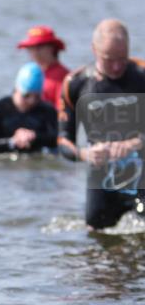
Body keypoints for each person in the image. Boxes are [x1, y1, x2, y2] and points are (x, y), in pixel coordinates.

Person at [58, 19, 145, 229]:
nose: (116, 66)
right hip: (102, 178)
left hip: (142, 174)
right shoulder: (75, 84)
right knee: (97, 239)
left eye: (122, 59)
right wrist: (85, 154)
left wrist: (136, 143)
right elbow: (63, 141)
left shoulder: (141, 75)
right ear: (94, 50)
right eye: (109, 59)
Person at [0, 62, 58, 153]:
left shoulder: (47, 110)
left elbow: (57, 139)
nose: (31, 101)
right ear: (16, 89)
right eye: (26, 96)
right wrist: (13, 141)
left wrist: (34, 136)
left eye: (37, 97)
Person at [16, 25, 70, 109]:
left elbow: (62, 113)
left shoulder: (62, 77)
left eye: (38, 47)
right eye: (30, 48)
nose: (33, 52)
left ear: (52, 48)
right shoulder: (29, 73)